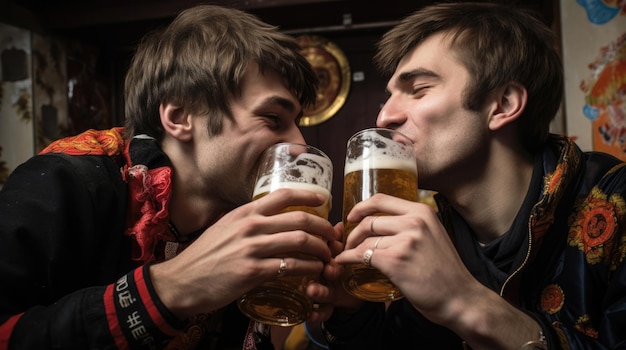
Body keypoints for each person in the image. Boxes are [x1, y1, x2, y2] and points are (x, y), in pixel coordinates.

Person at [0, 4, 340, 349]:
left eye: (298, 123)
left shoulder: (250, 221)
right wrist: (169, 289)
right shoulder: (66, 183)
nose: (299, 144)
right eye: (273, 118)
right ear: (180, 116)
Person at [310, 2, 626, 349]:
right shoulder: (434, 231)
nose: (384, 117)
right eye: (387, 100)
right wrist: (352, 311)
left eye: (418, 90)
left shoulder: (617, 200)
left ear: (504, 104)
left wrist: (466, 302)